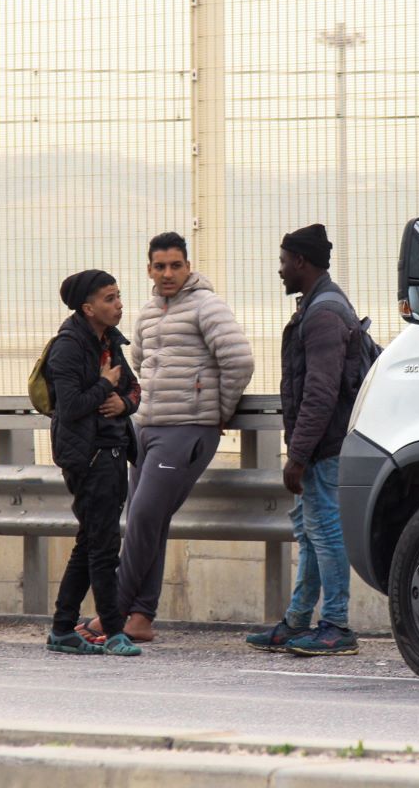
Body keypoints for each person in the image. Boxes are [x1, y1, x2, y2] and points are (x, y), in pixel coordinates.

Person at [82, 232, 254, 642]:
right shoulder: (145, 311)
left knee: (143, 517)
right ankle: (140, 618)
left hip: (188, 430)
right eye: (160, 266)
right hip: (147, 428)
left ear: (188, 266)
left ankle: (113, 611)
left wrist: (218, 411)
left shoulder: (206, 305)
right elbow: (140, 362)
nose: (168, 273)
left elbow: (239, 360)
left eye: (176, 265)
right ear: (149, 270)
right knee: (148, 521)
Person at [246, 223, 360, 657]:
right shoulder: (318, 306)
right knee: (311, 532)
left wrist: (298, 455)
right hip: (319, 445)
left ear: (300, 262)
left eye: (282, 262)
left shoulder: (324, 314)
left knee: (326, 533)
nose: (279, 271)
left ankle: (336, 625)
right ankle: (298, 621)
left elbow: (320, 392)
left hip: (325, 446)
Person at [44, 269, 143, 657]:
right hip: (88, 458)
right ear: (88, 308)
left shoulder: (111, 342)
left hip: (115, 451)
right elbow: (69, 409)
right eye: (109, 299)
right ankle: (115, 632)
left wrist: (124, 403)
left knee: (89, 543)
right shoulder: (68, 348)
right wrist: (104, 385)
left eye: (118, 296)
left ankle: (62, 629)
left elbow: (133, 387)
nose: (118, 305)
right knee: (103, 547)